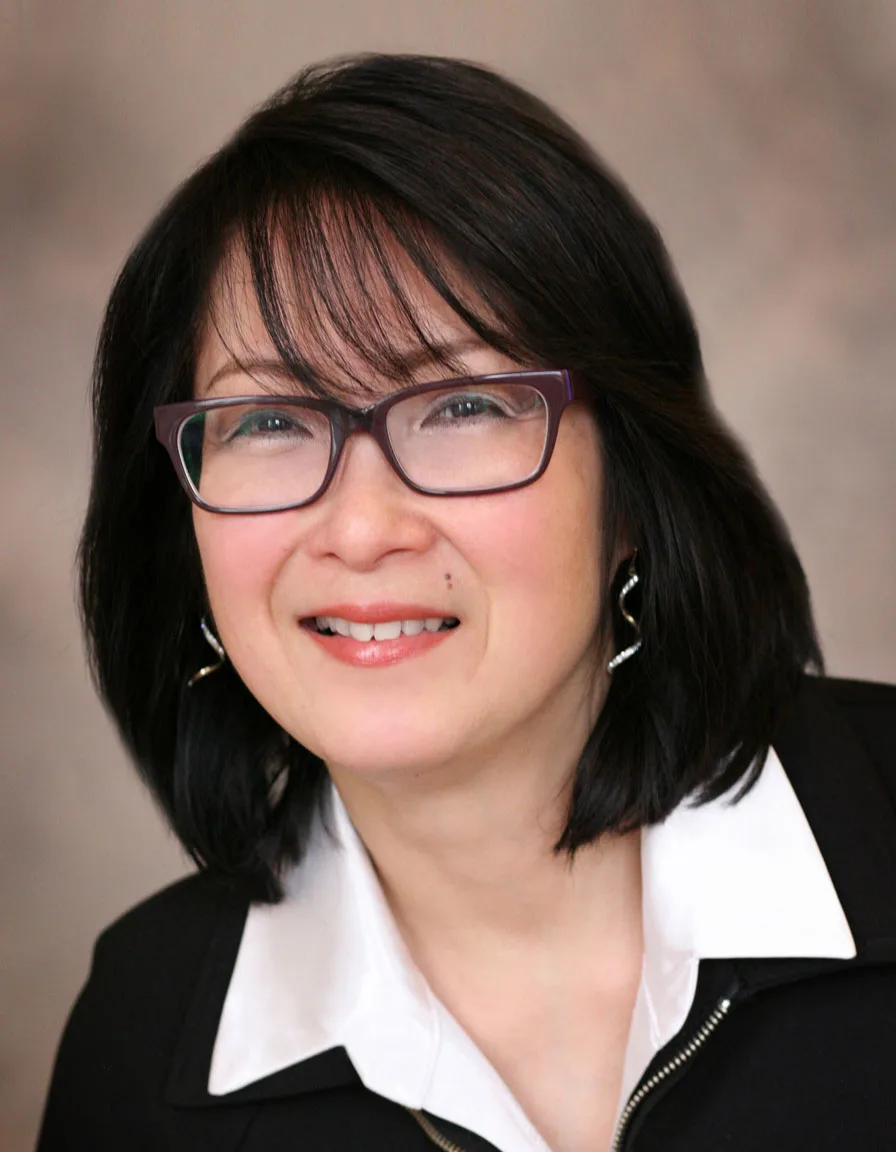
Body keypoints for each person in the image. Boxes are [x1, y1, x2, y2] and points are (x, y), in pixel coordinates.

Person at [36, 53, 895, 1152]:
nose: (359, 527)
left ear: (632, 490)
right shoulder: (139, 1036)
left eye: (461, 405)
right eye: (266, 423)